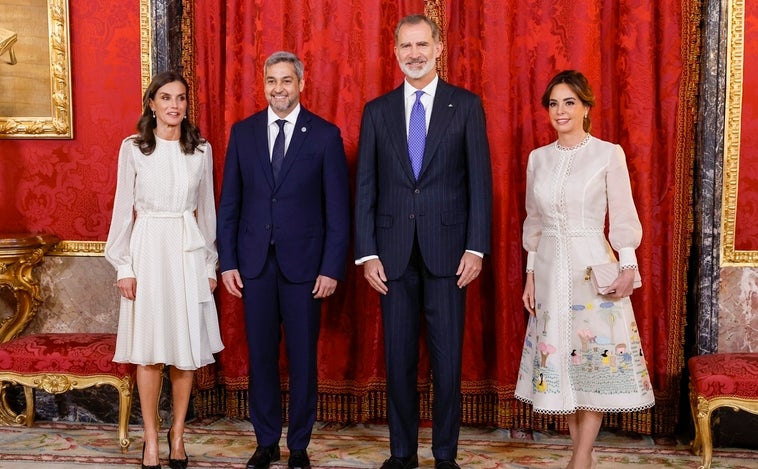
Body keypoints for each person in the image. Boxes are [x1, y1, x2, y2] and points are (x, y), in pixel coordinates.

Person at [353, 14, 493, 469]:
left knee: (447, 363)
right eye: (405, 47)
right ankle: (402, 453)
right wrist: (367, 251)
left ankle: (446, 455)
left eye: (421, 45)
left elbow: (479, 183)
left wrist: (476, 247)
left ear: (438, 48)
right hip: (391, 257)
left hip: (450, 256)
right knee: (398, 362)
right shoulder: (377, 112)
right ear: (395, 53)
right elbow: (367, 187)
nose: (413, 54)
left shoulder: (465, 105)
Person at [514, 70, 655, 469]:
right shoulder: (537, 159)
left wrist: (627, 265)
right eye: (554, 104)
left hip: (592, 266)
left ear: (586, 107)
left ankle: (578, 460)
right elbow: (533, 223)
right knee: (565, 365)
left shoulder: (608, 153)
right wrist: (530, 274)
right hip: (548, 267)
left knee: (590, 361)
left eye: (569, 102)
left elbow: (624, 215)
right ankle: (585, 457)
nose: (561, 111)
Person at [216, 51, 350, 469]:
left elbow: (337, 210)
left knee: (303, 358)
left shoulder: (325, 135)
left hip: (305, 268)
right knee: (261, 356)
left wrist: (330, 267)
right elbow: (230, 204)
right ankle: (266, 441)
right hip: (254, 266)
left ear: (301, 84)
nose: (279, 88)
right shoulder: (243, 133)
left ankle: (300, 445)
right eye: (272, 80)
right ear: (264, 83)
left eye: (287, 80)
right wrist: (228, 262)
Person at [105, 71, 224, 469]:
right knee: (151, 351)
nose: (175, 105)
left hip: (187, 251)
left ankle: (178, 434)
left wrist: (210, 263)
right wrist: (124, 266)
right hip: (148, 251)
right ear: (151, 104)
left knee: (185, 352)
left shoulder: (201, 151)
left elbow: (206, 212)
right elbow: (124, 209)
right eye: (167, 97)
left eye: (182, 98)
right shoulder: (134, 148)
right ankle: (151, 438)